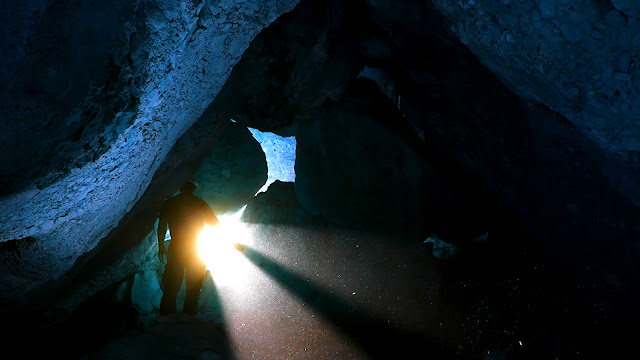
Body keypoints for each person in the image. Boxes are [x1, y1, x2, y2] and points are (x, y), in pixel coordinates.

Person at [157, 178, 219, 315]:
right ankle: (188, 318)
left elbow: (162, 226)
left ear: (181, 187)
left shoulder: (171, 203)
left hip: (177, 247)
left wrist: (161, 245)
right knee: (194, 287)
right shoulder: (200, 204)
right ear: (194, 188)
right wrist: (233, 244)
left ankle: (167, 318)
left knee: (171, 286)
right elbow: (216, 225)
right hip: (196, 248)